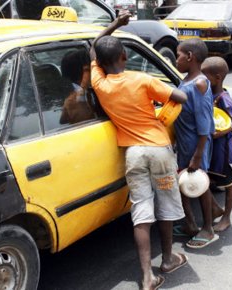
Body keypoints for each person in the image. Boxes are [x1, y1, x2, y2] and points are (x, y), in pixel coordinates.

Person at [89, 11, 189, 290]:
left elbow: (94, 46)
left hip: (133, 153)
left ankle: (146, 276)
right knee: (166, 205)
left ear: (101, 62)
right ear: (124, 57)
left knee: (141, 213)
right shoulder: (142, 79)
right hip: (158, 149)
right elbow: (180, 95)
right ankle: (168, 260)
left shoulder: (100, 83)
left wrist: (114, 25)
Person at [173, 38, 219, 249]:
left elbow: (204, 122)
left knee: (200, 184)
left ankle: (208, 229)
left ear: (189, 56)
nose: (175, 60)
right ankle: (190, 224)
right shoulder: (187, 80)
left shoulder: (199, 84)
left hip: (196, 144)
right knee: (186, 182)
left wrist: (198, 155)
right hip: (186, 143)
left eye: (178, 55)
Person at [201, 56, 232, 232]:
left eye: (206, 77)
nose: (202, 80)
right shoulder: (207, 95)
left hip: (225, 150)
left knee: (228, 183)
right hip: (211, 149)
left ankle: (226, 217)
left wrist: (221, 132)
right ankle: (215, 209)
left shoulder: (224, 98)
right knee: (207, 180)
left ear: (217, 78)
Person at [60, 49, 96, 124]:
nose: (94, 71)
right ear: (83, 73)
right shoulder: (77, 100)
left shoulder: (70, 96)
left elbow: (62, 121)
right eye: (89, 69)